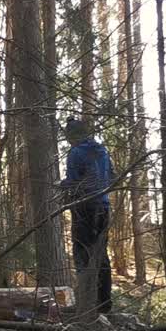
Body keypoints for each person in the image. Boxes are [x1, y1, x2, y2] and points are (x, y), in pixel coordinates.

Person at [58, 117, 114, 314]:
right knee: (100, 254)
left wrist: (62, 185)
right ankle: (104, 303)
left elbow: (75, 184)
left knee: (82, 254)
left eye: (68, 137)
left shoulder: (76, 152)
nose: (67, 141)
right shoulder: (102, 151)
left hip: (85, 209)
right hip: (104, 207)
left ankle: (85, 303)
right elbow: (111, 177)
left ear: (73, 136)